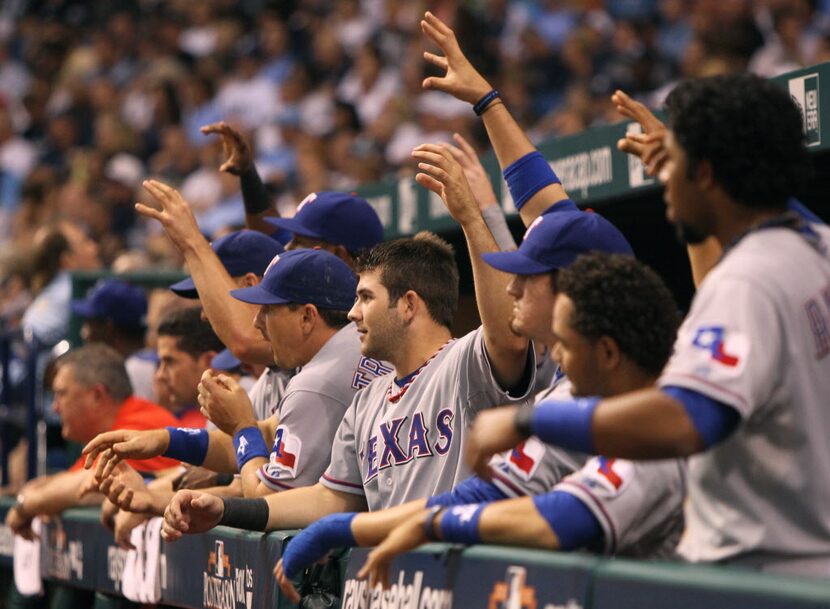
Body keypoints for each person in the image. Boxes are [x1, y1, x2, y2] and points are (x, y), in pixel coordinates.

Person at [466, 73, 830, 577]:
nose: (662, 175)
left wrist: (525, 420)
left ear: (705, 172)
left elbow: (687, 419)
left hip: (763, 573)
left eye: (672, 160)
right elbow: (559, 225)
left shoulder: (748, 280)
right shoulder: (817, 248)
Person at [156, 144, 539, 539]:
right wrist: (226, 509)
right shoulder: (367, 400)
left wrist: (473, 220)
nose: (352, 313)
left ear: (408, 305)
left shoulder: (463, 364)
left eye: (366, 298)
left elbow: (509, 339)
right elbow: (329, 499)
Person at [276, 252, 683, 596]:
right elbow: (489, 490)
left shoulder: (664, 439)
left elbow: (557, 518)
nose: (555, 361)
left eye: (564, 345)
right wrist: (356, 527)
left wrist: (431, 524)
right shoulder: (595, 415)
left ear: (609, 353)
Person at [84, 248, 390, 501]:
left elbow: (264, 498)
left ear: (308, 316)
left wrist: (242, 426)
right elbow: (270, 435)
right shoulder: (351, 344)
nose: (257, 322)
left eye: (269, 310)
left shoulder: (317, 382)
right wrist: (166, 440)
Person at [4, 344, 179, 540]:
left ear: (97, 396)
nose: (55, 407)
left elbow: (87, 483)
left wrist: (26, 504)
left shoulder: (142, 425)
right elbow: (68, 482)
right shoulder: (108, 435)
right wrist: (34, 495)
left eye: (62, 394)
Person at [72, 278, 155, 400]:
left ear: (108, 329)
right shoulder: (144, 364)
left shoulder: (134, 372)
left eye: (90, 323)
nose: (84, 333)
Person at [22, 220, 101, 347]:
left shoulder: (52, 288)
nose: (94, 248)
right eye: (85, 242)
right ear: (67, 260)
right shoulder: (70, 287)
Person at [154, 306, 225, 427]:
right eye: (160, 363)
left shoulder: (248, 406)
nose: (160, 375)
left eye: (170, 362)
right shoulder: (202, 416)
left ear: (209, 362)